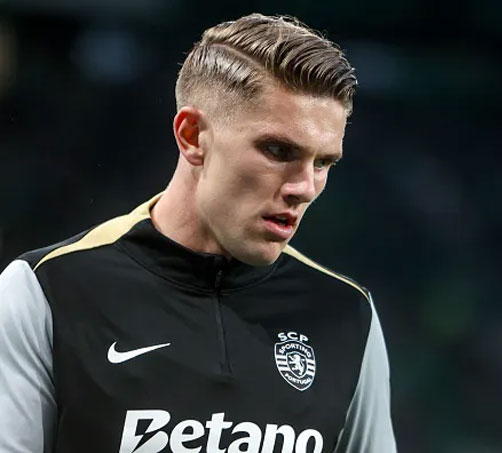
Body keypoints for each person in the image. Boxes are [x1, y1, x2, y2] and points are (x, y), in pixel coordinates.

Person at [0, 13, 396, 453]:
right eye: (278, 150)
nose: (304, 187)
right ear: (192, 136)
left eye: (323, 163)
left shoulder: (347, 315)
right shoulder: (47, 291)